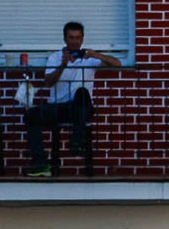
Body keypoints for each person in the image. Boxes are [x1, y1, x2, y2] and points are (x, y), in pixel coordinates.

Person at [23, 21, 125, 177]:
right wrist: (63, 65)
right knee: (31, 115)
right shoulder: (55, 57)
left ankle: (76, 142)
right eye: (71, 38)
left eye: (78, 38)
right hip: (60, 108)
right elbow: (49, 83)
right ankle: (40, 163)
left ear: (83, 39)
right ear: (65, 39)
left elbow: (118, 64)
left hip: (81, 107)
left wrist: (96, 55)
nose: (75, 41)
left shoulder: (89, 58)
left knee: (82, 93)